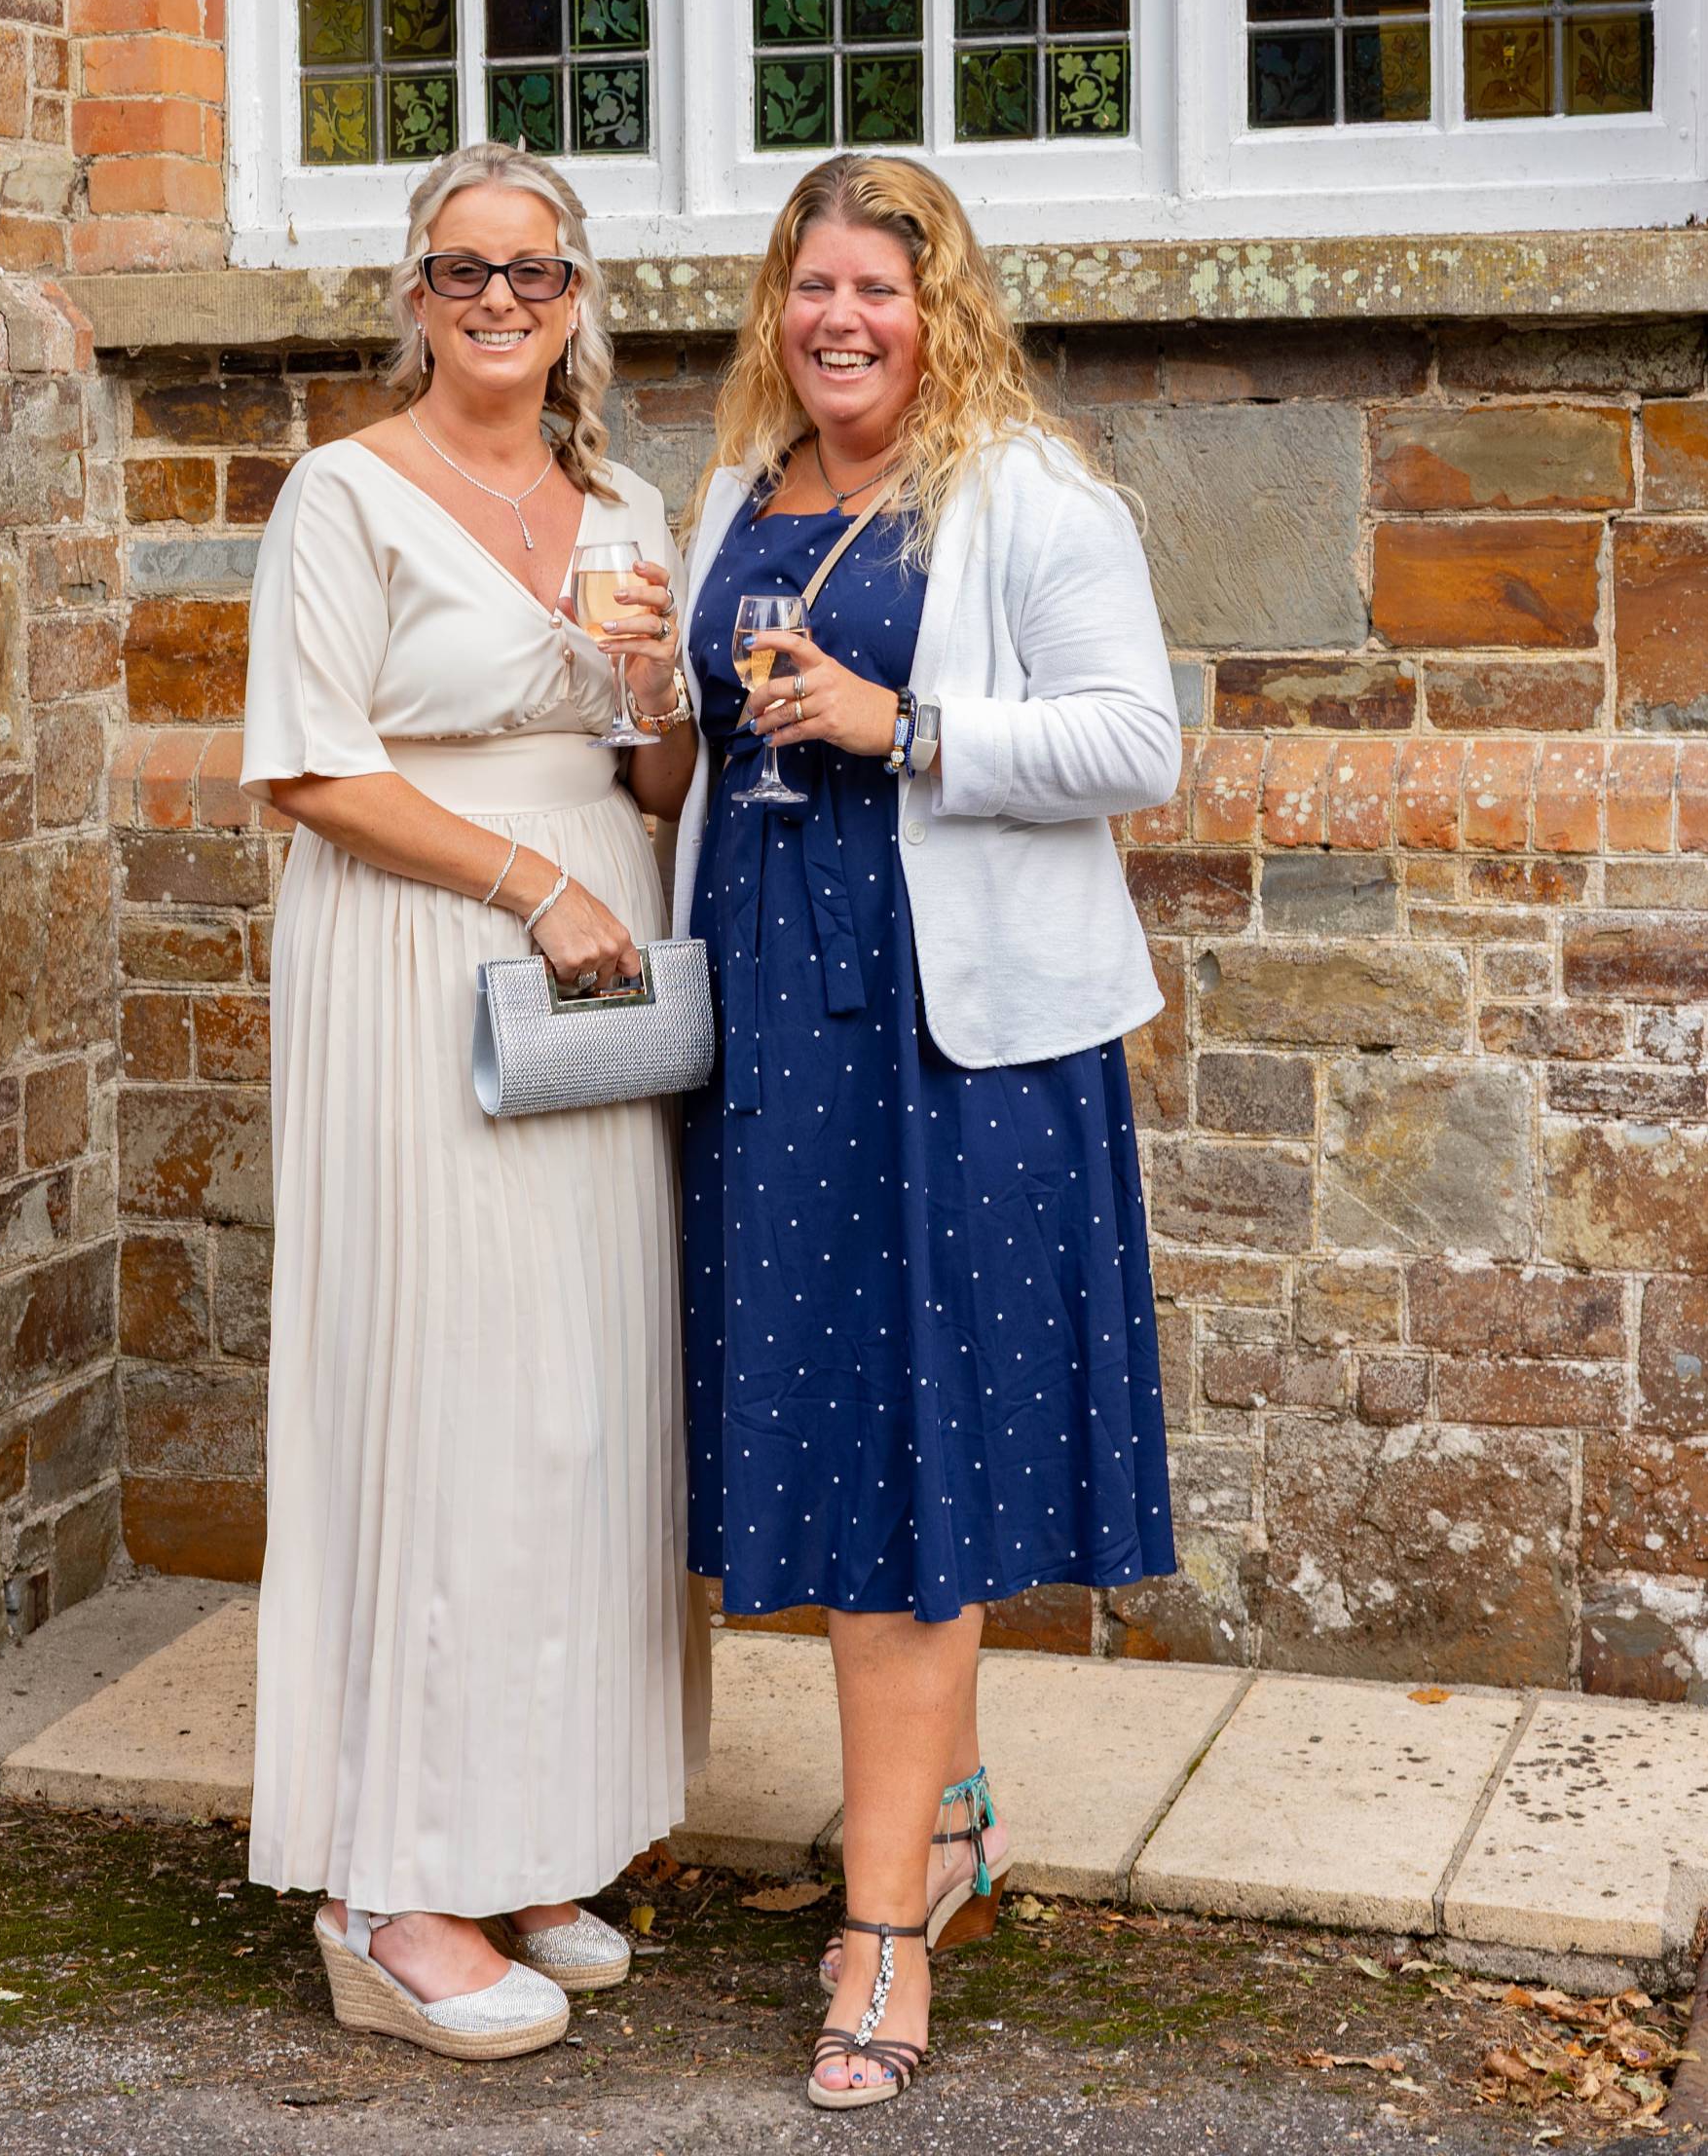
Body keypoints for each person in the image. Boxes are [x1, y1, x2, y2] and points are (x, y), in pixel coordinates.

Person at [674, 154, 1181, 2110]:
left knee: (905, 1472)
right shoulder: (739, 493)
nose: (840, 320)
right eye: (812, 286)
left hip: (947, 1040)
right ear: (777, 306)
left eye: (877, 289)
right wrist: (651, 702)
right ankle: (951, 1820)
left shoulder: (1026, 489)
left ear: (936, 307)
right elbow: (703, 756)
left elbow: (1135, 739)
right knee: (847, 1451)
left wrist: (905, 726)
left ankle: (882, 1925)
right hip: (773, 1031)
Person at [239, 140, 701, 2061]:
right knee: (438, 1393)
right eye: (461, 269)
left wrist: (656, 689)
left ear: (578, 299)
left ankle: (528, 1834)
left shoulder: (628, 503)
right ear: (415, 296)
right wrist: (530, 884)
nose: (498, 299)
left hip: (600, 963)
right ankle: (391, 1881)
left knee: (578, 1403)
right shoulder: (343, 493)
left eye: (533, 271)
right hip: (422, 954)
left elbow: (656, 780)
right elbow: (308, 768)